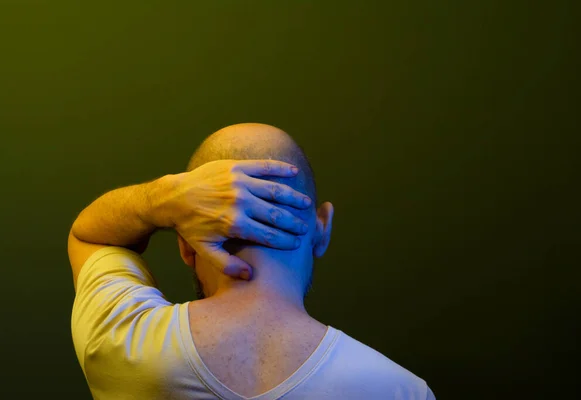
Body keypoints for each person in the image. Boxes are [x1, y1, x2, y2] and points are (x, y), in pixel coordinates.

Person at [69, 123, 436, 399]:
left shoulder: (121, 338)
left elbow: (87, 233)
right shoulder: (399, 390)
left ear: (185, 244)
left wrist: (162, 200)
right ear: (322, 227)